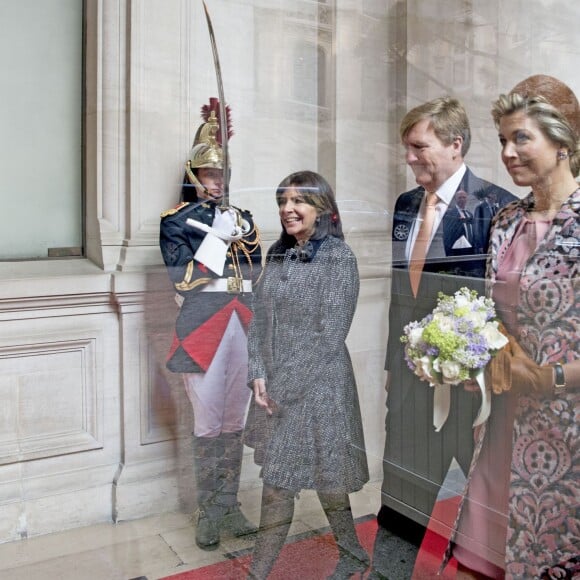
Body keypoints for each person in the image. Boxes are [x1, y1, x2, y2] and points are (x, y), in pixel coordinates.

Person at [444, 75, 580, 579]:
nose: (507, 151)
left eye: (521, 137)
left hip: (567, 437)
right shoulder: (505, 220)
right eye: (502, 139)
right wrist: (470, 355)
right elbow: (487, 315)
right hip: (501, 425)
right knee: (479, 563)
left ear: (562, 141)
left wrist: (549, 379)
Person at [378, 97, 515, 534]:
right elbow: (401, 296)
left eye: (419, 146)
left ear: (455, 145)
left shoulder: (497, 207)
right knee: (400, 502)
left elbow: (505, 303)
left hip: (472, 393)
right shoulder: (404, 205)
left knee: (489, 513)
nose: (409, 157)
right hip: (408, 382)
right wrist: (391, 366)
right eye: (407, 147)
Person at [245, 171, 369, 579]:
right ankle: (351, 552)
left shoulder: (339, 257)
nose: (287, 208)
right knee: (321, 475)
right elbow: (258, 319)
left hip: (319, 386)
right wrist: (258, 372)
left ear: (323, 210)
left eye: (299, 201)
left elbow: (329, 334)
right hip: (278, 385)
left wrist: (282, 388)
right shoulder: (277, 254)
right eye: (283, 200)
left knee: (284, 482)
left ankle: (256, 574)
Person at [159, 99, 262, 550]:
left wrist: (236, 231)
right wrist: (216, 240)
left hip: (243, 319)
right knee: (208, 421)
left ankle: (230, 504)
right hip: (204, 322)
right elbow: (183, 279)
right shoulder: (176, 222)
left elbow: (256, 270)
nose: (217, 182)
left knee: (235, 419)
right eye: (209, 175)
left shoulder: (243, 218)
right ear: (194, 175)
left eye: (222, 175)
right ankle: (207, 507)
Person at [443, 189, 475, 256]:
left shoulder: (470, 214)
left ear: (467, 199)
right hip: (457, 252)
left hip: (471, 250)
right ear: (455, 199)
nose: (462, 199)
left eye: (464, 197)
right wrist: (449, 254)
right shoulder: (450, 214)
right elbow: (447, 236)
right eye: (459, 197)